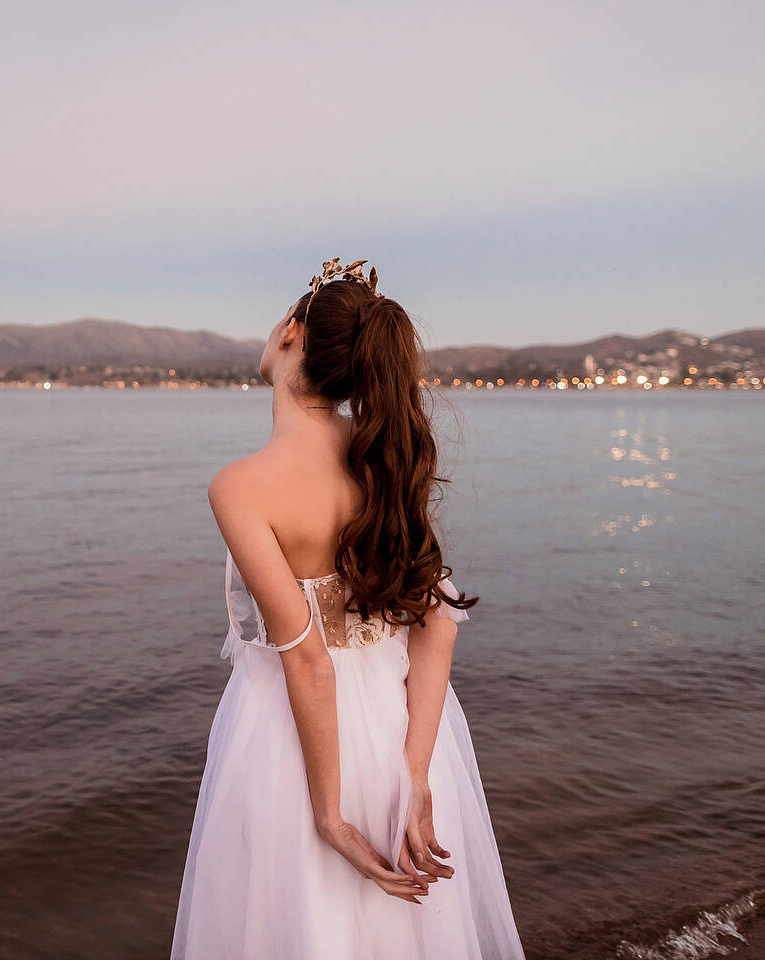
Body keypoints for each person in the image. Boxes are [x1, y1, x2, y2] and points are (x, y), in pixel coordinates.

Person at [170, 259, 526, 959]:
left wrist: (329, 814)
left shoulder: (242, 486)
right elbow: (435, 627)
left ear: (291, 334)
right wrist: (414, 773)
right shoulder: (380, 459)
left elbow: (307, 660)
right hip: (401, 731)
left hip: (295, 746)